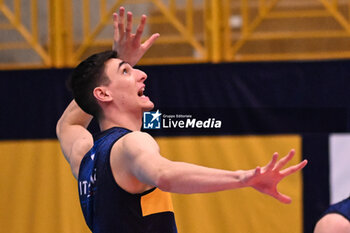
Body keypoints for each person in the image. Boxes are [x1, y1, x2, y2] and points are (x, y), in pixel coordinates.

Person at [56, 6, 308, 233]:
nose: (141, 73)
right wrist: (244, 178)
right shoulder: (132, 143)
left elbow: (68, 124)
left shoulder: (84, 156)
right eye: (127, 71)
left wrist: (107, 78)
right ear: (103, 93)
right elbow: (163, 174)